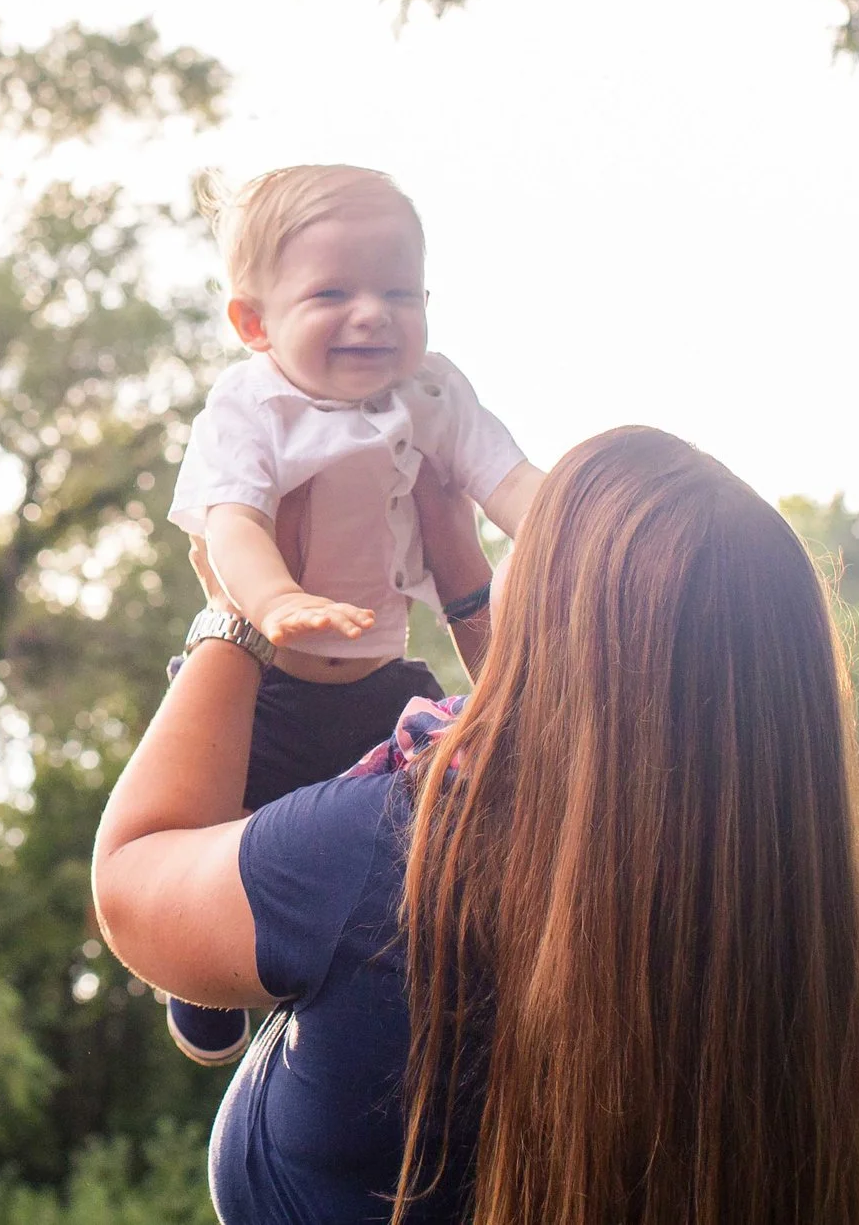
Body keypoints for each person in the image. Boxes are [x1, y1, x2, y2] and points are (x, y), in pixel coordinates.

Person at [95, 427, 859, 1224]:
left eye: (528, 538)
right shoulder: (811, 914)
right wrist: (465, 583)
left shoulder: (390, 857)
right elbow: (608, 774)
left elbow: (136, 875)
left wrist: (235, 617)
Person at [159, 164, 542, 1064]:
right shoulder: (251, 404)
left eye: (398, 292)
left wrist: (580, 520)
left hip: (377, 676)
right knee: (216, 809)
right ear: (254, 322)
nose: (372, 313)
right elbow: (234, 523)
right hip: (271, 681)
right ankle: (193, 966)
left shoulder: (436, 392)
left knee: (413, 809)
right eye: (333, 292)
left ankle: (390, 984)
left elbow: (511, 481)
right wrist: (276, 599)